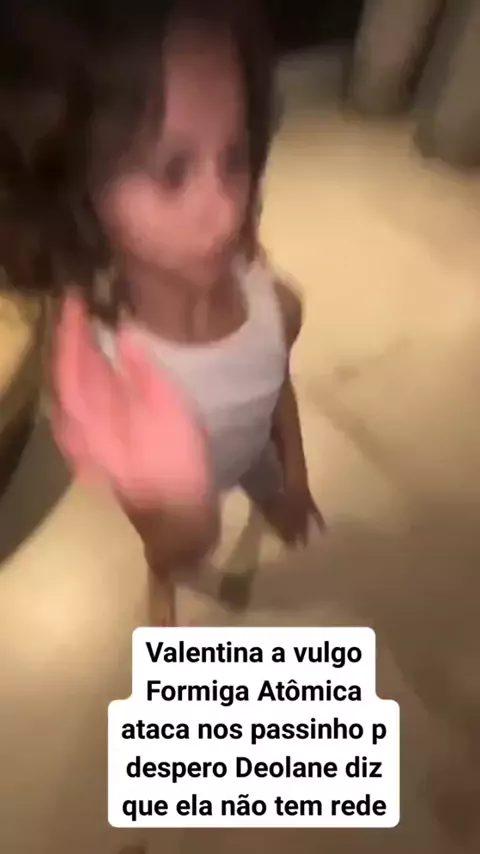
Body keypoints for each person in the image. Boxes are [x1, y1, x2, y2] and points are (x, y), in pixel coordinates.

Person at [0, 0, 324, 625]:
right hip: (176, 506)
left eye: (234, 157)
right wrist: (179, 527)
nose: (224, 210)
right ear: (79, 189)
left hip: (250, 457)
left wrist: (296, 475)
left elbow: (276, 383)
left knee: (263, 493)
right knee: (168, 559)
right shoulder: (113, 375)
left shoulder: (270, 297)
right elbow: (160, 522)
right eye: (172, 172)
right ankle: (163, 588)